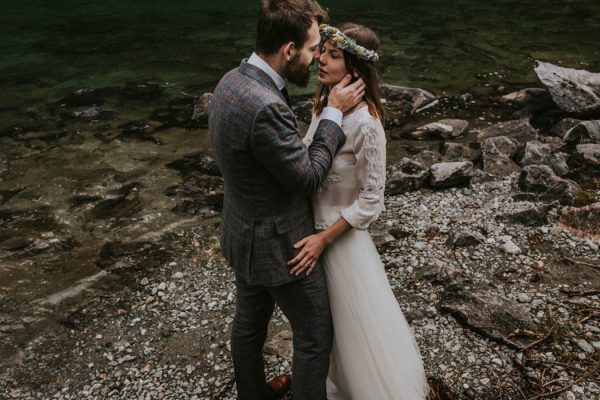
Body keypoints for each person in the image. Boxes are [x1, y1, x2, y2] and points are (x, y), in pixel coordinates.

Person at [208, 1, 366, 399]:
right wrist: (332, 113)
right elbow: (309, 178)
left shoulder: (230, 81)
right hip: (282, 247)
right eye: (313, 49)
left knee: (248, 326)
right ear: (289, 51)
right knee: (314, 335)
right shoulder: (265, 107)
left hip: (240, 232)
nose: (317, 59)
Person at [289, 23, 430, 399]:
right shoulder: (324, 105)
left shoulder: (367, 124)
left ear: (356, 69)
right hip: (309, 234)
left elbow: (371, 202)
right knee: (323, 329)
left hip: (340, 243)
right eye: (324, 52)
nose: (321, 59)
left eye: (334, 56)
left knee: (354, 328)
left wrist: (322, 240)